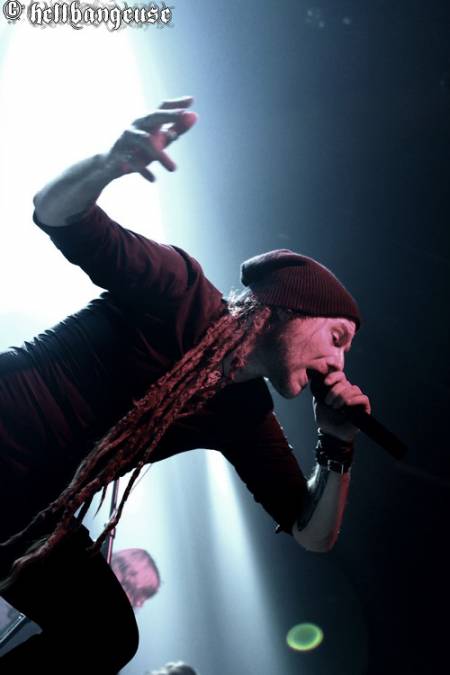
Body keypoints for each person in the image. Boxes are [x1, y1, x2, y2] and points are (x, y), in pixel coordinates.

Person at [0, 96, 370, 673]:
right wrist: (109, 163)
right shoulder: (180, 290)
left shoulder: (243, 412)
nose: (339, 363)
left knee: (104, 635)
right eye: (338, 337)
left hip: (28, 510)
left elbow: (311, 534)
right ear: (290, 308)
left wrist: (338, 444)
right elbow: (55, 213)